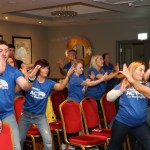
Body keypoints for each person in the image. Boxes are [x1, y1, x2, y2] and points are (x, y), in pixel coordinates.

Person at [19, 59, 74, 150]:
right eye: (44, 68)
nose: (46, 70)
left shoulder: (49, 83)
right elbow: (24, 85)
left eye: (48, 68)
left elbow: (61, 87)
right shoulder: (32, 80)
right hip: (26, 115)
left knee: (48, 142)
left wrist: (68, 76)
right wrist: (27, 74)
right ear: (38, 69)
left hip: (40, 116)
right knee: (20, 139)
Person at [0, 40, 41, 150]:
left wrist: (31, 78)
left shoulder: (13, 71)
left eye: (6, 51)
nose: (4, 54)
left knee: (16, 145)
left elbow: (25, 86)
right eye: (0, 51)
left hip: (7, 113)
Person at [106, 61, 150, 150]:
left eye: (144, 70)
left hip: (140, 123)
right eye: (140, 70)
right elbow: (108, 98)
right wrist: (120, 91)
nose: (143, 72)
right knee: (113, 147)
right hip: (122, 122)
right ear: (133, 71)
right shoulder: (124, 83)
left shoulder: (147, 85)